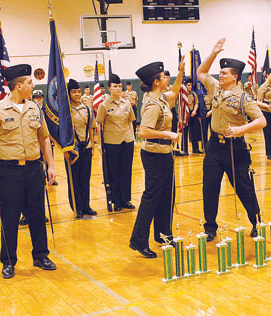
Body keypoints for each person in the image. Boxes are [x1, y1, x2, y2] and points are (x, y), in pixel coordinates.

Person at [0, 64, 57, 279]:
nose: (32, 85)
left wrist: (51, 165)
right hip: (9, 172)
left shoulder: (35, 108)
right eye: (29, 83)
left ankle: (41, 255)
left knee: (36, 214)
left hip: (34, 169)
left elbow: (44, 139)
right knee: (10, 217)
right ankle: (8, 261)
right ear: (18, 86)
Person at [197, 38, 267, 241]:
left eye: (225, 73)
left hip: (234, 148)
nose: (220, 74)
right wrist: (213, 53)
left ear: (235, 77)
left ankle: (256, 221)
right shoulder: (217, 88)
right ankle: (210, 227)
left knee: (244, 187)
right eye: (220, 72)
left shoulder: (244, 98)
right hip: (214, 147)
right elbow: (201, 73)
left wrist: (240, 130)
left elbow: (261, 120)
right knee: (209, 186)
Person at [130, 58, 184, 258]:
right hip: (154, 155)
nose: (166, 79)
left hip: (164, 154)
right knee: (151, 198)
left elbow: (175, 92)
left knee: (167, 196)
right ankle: (138, 240)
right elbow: (143, 131)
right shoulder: (152, 104)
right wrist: (168, 135)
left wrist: (180, 73)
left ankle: (164, 235)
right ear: (156, 81)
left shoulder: (160, 97)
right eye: (164, 77)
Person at [96, 74, 136, 212]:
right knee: (114, 172)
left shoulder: (126, 103)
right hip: (111, 142)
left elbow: (131, 121)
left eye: (119, 86)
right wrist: (100, 144)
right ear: (109, 88)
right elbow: (99, 124)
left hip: (127, 140)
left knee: (126, 170)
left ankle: (126, 199)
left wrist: (133, 138)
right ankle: (116, 200)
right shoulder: (104, 105)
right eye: (115, 86)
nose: (118, 89)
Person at [64, 79, 97, 218]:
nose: (77, 94)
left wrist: (93, 145)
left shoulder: (87, 109)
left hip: (86, 147)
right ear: (68, 93)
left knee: (85, 178)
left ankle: (86, 205)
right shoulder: (65, 111)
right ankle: (76, 207)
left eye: (78, 91)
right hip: (73, 149)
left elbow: (91, 127)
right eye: (74, 92)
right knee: (74, 179)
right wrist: (66, 149)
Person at [19, 90, 52, 226]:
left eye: (40, 97)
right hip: (25, 154)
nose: (39, 100)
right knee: (22, 189)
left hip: (40, 152)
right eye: (36, 97)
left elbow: (45, 135)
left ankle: (40, 213)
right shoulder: (27, 111)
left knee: (40, 186)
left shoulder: (42, 111)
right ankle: (25, 214)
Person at [184, 77, 202, 154]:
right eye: (188, 85)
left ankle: (196, 148)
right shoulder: (183, 95)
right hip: (186, 114)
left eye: (191, 85)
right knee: (185, 132)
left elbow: (196, 103)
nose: (190, 87)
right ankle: (185, 150)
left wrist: (194, 111)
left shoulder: (194, 94)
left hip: (193, 113)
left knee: (195, 131)